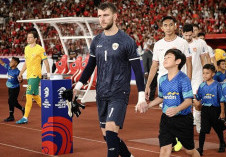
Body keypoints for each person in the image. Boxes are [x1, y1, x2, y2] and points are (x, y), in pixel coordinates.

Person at [73, 2, 147, 157]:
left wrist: (141, 97)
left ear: (115, 16)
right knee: (108, 136)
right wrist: (78, 86)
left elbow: (138, 71)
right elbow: (90, 66)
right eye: (99, 16)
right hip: (102, 92)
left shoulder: (126, 41)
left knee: (111, 132)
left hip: (119, 93)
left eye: (105, 15)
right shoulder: (97, 40)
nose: (102, 19)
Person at [145, 16, 192, 151]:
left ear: (175, 26)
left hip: (180, 83)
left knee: (180, 110)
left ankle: (177, 139)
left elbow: (188, 63)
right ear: (162, 28)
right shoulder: (158, 44)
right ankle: (171, 141)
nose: (168, 28)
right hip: (164, 82)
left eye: (171, 25)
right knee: (167, 112)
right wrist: (148, 85)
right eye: (165, 25)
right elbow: (154, 66)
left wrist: (188, 80)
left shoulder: (182, 43)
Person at [148, 49, 200, 157]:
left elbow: (189, 101)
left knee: (189, 150)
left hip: (183, 120)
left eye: (169, 57)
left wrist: (177, 109)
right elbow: (161, 97)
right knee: (165, 149)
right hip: (166, 119)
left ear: (178, 61)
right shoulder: (162, 79)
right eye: (165, 57)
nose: (165, 59)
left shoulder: (184, 79)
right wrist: (148, 105)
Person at [16, 29, 50, 124]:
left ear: (35, 39)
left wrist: (48, 74)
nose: (28, 39)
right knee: (35, 96)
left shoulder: (40, 49)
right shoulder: (26, 48)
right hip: (29, 75)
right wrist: (21, 73)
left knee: (28, 95)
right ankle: (49, 111)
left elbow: (46, 62)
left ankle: (25, 117)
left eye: (30, 37)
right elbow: (26, 63)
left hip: (36, 75)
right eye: (27, 37)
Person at [195, 64, 226, 155]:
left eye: (207, 73)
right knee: (202, 130)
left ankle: (222, 143)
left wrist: (222, 112)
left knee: (217, 129)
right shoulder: (202, 85)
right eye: (203, 73)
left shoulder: (217, 85)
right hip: (205, 109)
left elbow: (221, 99)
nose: (204, 75)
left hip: (215, 109)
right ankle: (200, 148)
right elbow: (198, 97)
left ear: (213, 74)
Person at [182, 24, 205, 133]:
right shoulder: (179, 44)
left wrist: (206, 74)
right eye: (185, 34)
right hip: (183, 78)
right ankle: (188, 124)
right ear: (182, 33)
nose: (187, 36)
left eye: (189, 34)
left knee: (197, 103)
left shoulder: (199, 44)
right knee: (185, 102)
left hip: (197, 77)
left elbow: (203, 59)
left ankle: (198, 123)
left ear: (192, 33)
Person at [0, 57, 24, 122]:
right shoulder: (8, 67)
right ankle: (22, 109)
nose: (10, 62)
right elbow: (2, 63)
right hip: (10, 88)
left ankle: (11, 116)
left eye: (12, 61)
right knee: (14, 102)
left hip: (15, 88)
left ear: (15, 63)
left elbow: (21, 80)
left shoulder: (17, 72)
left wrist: (20, 80)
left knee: (10, 101)